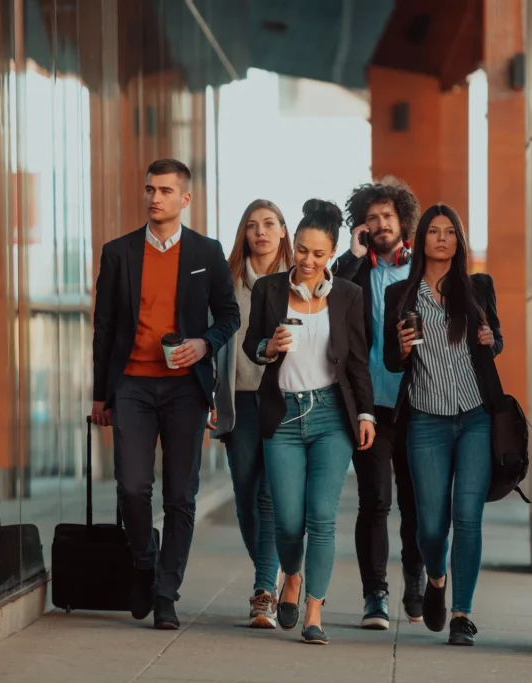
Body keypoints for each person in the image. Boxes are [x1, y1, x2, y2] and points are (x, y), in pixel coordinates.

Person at [91, 158, 239, 630]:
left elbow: (229, 316)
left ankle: (166, 590)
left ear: (185, 199)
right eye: (150, 189)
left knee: (180, 496)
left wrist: (203, 344)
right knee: (133, 488)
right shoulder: (118, 253)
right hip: (131, 385)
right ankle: (143, 560)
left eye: (166, 191)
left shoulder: (207, 253)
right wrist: (100, 395)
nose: (155, 197)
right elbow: (104, 327)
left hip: (184, 390)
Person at [242, 199, 375, 645]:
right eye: (302, 250)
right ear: (293, 245)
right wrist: (269, 348)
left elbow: (357, 362)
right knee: (286, 519)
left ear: (332, 253)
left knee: (321, 516)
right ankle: (291, 576)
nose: (308, 261)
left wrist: (365, 412)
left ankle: (314, 610)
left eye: (319, 254)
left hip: (330, 417)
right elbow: (250, 347)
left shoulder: (348, 296)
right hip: (281, 416)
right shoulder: (269, 290)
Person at [384, 203, 502, 647]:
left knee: (468, 518)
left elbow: (497, 339)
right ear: (421, 241)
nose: (441, 238)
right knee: (431, 526)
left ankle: (462, 614)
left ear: (458, 240)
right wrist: (400, 346)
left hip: (475, 416)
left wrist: (492, 340)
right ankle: (436, 579)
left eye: (449, 231)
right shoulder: (399, 294)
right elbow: (391, 362)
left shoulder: (478, 287)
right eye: (433, 231)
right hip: (426, 420)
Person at [333, 176, 426, 628]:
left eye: (387, 216)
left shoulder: (422, 269)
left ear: (403, 221)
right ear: (362, 226)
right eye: (371, 218)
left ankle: (414, 573)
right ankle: (375, 595)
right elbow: (328, 294)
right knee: (374, 501)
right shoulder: (356, 269)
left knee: (415, 501)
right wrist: (352, 254)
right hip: (368, 405)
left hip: (418, 401)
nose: (380, 223)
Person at [212, 199, 292, 628]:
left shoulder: (298, 280)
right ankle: (269, 573)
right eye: (251, 225)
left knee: (269, 497)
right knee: (245, 496)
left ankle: (263, 589)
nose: (260, 232)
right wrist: (210, 395)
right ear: (244, 234)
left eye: (268, 224)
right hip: (238, 397)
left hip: (283, 399)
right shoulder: (226, 282)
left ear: (283, 230)